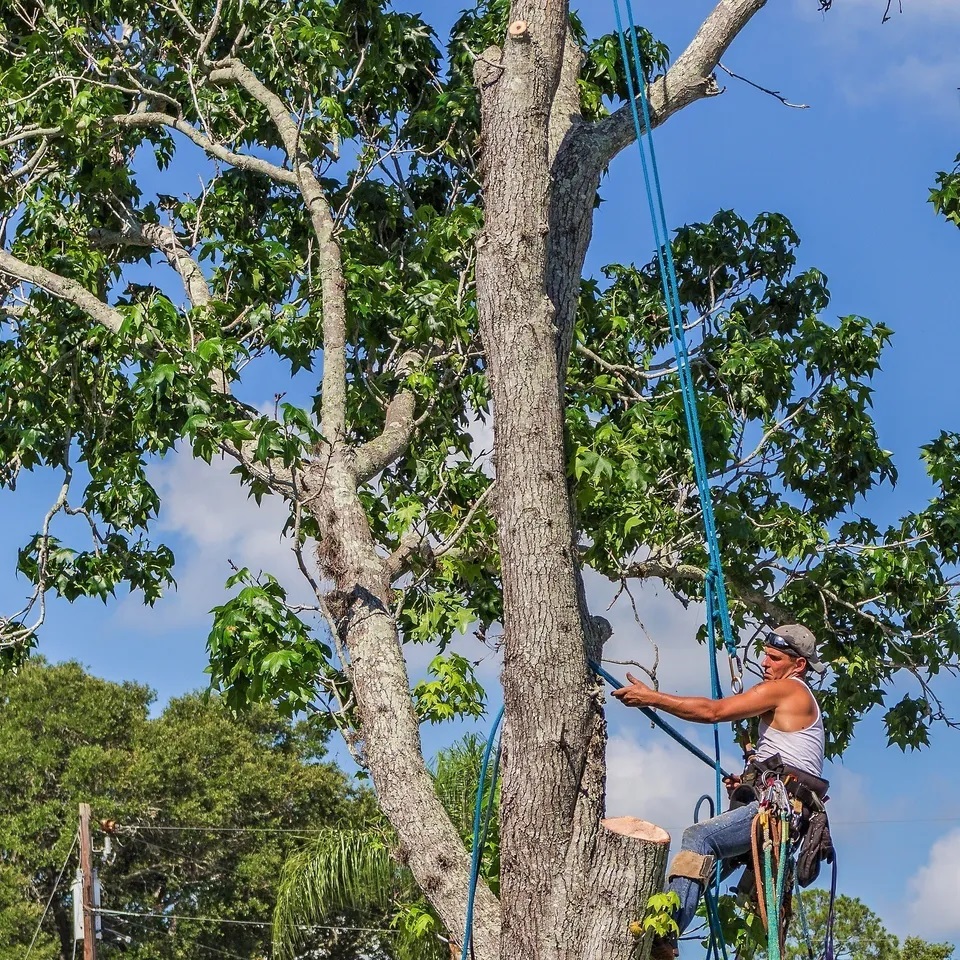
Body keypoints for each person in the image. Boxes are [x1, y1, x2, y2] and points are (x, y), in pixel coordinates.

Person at [611, 624, 828, 960]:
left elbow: (714, 712)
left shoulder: (788, 690)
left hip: (777, 811)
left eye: (774, 658)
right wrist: (748, 781)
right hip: (776, 805)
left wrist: (652, 698)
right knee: (702, 869)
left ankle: (664, 935)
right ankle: (656, 919)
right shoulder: (792, 696)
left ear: (798, 665)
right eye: (765, 656)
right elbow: (789, 761)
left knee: (700, 838)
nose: (765, 663)